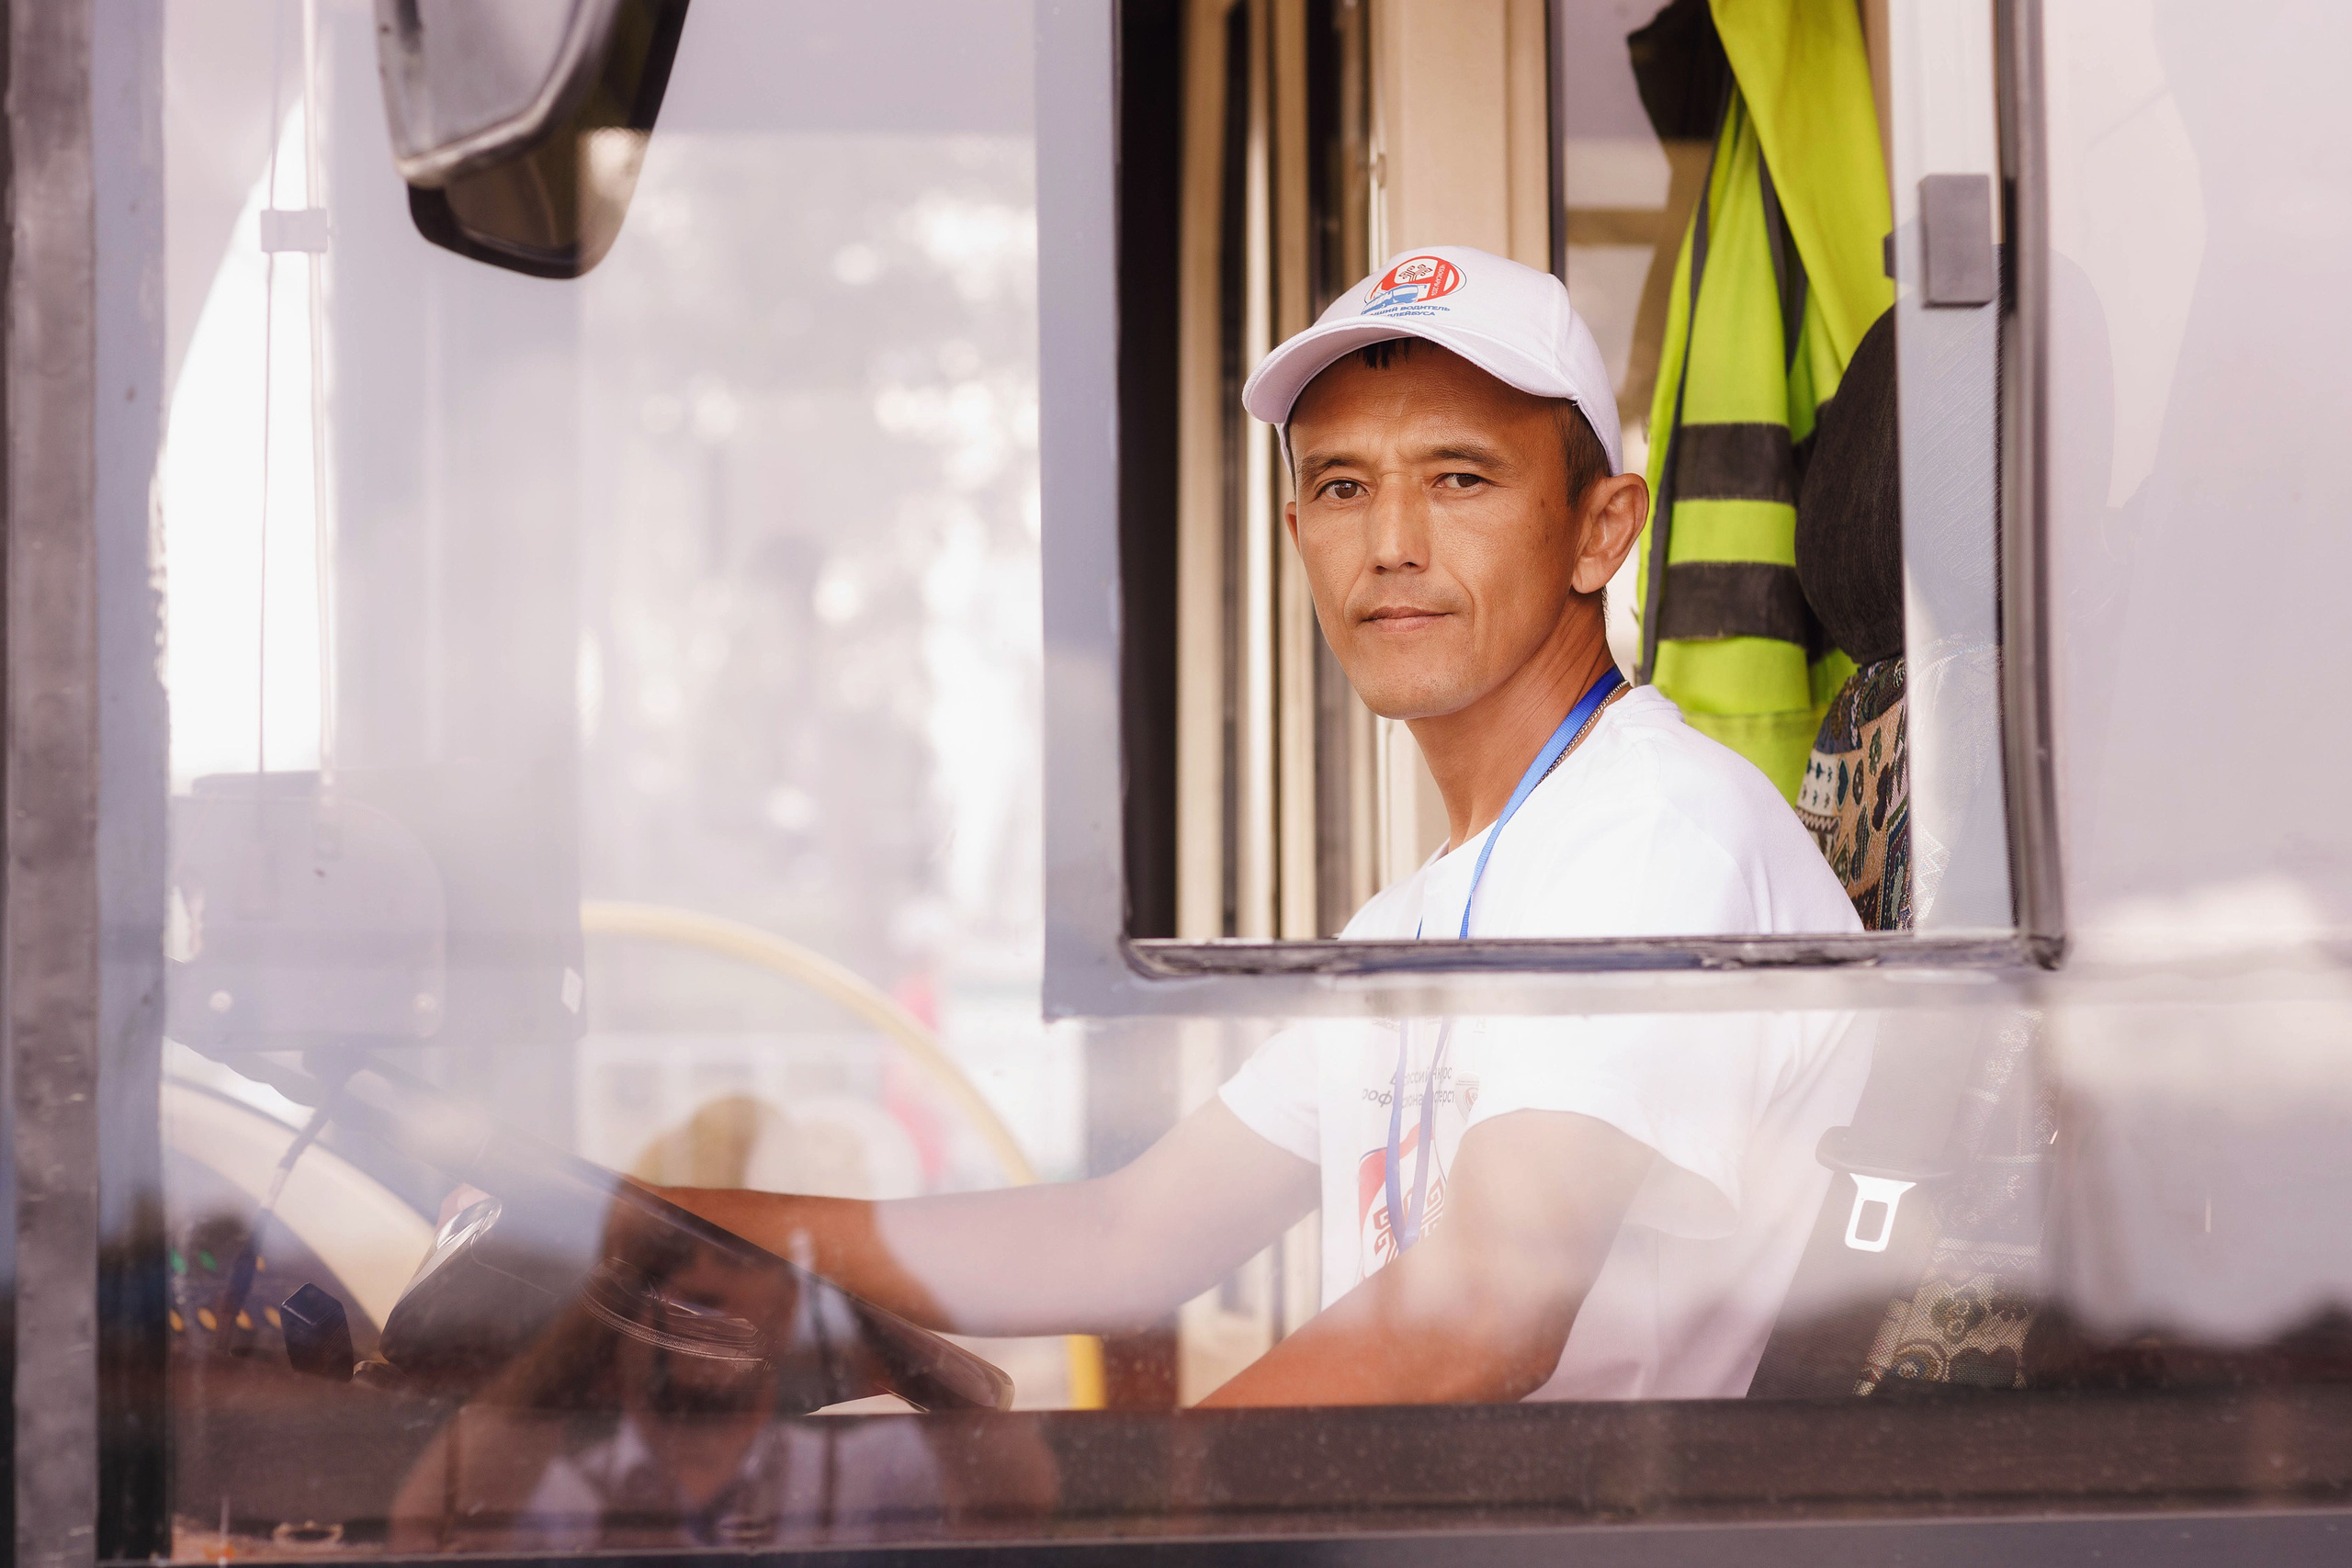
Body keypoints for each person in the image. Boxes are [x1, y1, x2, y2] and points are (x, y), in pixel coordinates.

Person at [657, 245, 1868, 1405]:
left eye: (1461, 478)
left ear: (1601, 530)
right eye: (1343, 486)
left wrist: (1149, 1514)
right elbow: (1126, 1238)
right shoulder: (1416, 915)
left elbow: (1487, 1314)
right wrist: (664, 1223)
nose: (1390, 545)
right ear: (1299, 536)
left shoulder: (1655, 831)